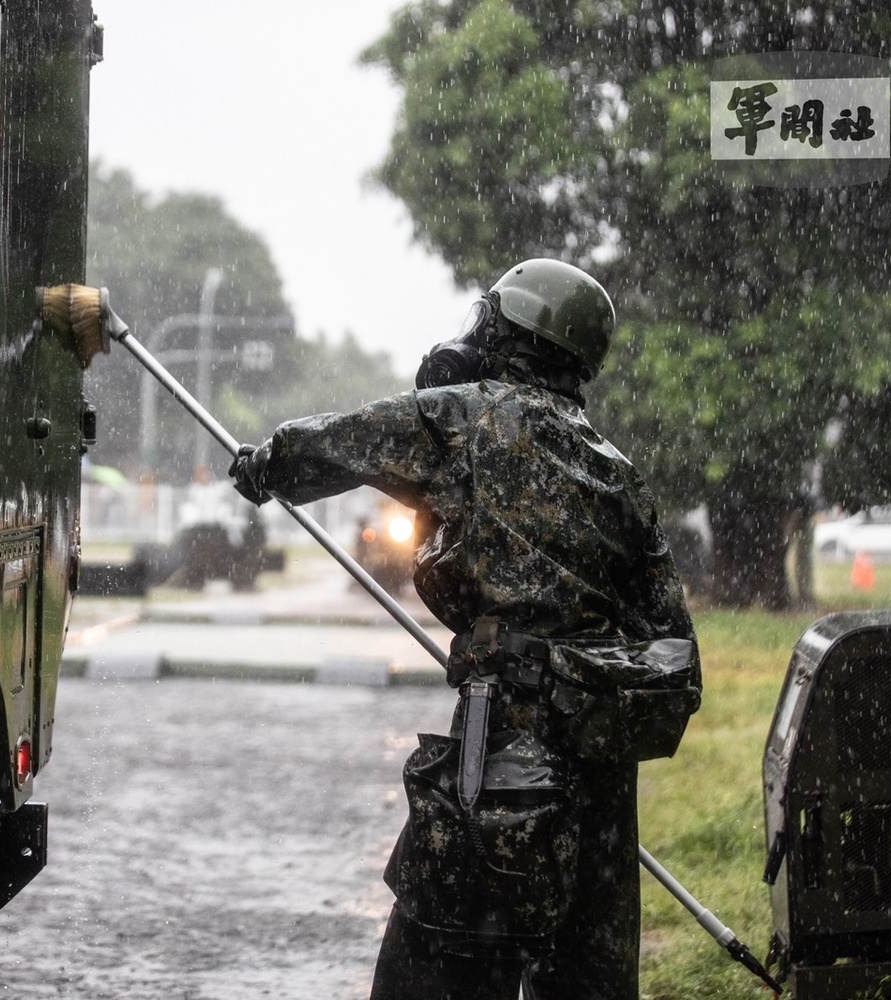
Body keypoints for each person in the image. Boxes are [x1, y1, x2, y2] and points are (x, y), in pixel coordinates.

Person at [229, 259, 697, 1000]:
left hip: (503, 743)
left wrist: (265, 465)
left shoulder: (467, 415)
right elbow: (671, 643)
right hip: (600, 763)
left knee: (443, 957)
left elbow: (337, 442)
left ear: (508, 329)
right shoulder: (619, 473)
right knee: (584, 969)